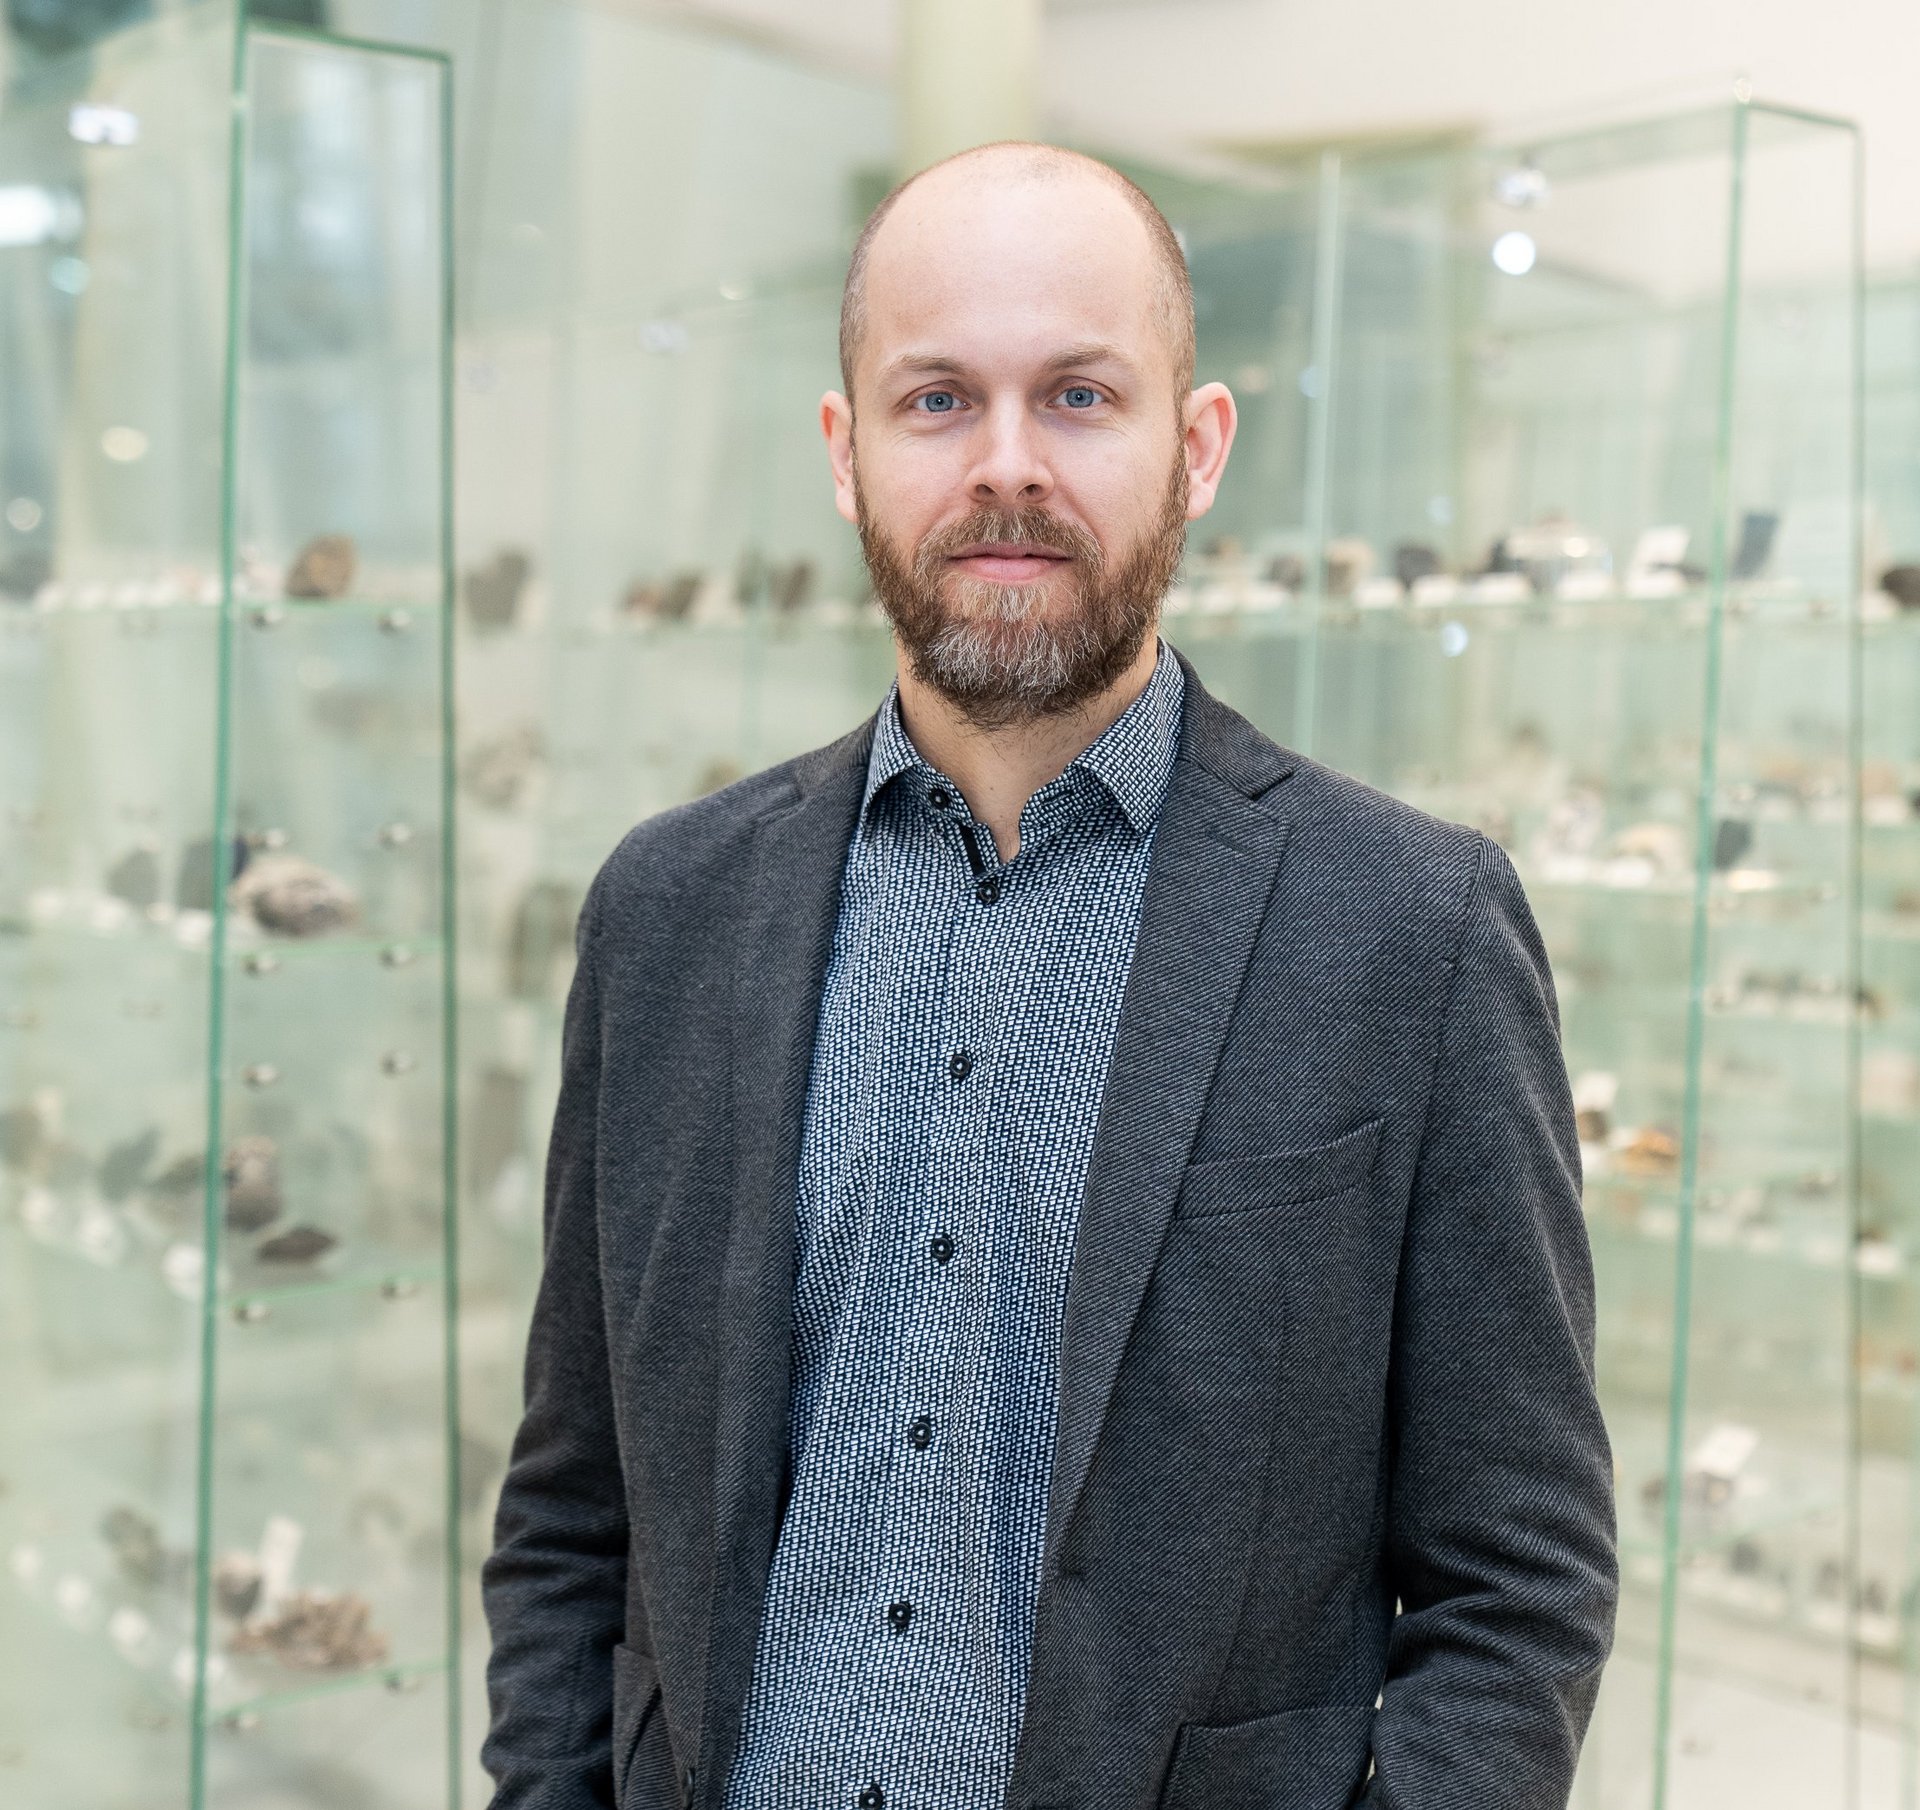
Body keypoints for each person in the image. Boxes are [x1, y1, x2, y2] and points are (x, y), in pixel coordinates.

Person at [480, 141, 1617, 1810]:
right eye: (937, 400)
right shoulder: (668, 912)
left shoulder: (1412, 927)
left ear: (1197, 445)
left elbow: (1521, 1581)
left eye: (1080, 396)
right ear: (845, 452)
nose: (1007, 467)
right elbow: (572, 1516)